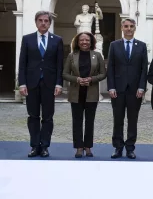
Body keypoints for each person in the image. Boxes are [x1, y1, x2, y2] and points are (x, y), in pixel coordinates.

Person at [18, 11, 64, 157]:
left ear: (50, 23)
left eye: (46, 21)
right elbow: (22, 63)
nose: (43, 23)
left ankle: (44, 146)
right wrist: (22, 83)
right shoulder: (27, 39)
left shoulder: (57, 40)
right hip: (31, 83)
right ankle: (34, 145)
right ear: (36, 22)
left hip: (49, 84)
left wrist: (59, 84)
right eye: (40, 20)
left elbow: (59, 64)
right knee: (33, 116)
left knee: (48, 117)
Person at [107, 18, 148, 159]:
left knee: (132, 120)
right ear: (122, 28)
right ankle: (118, 148)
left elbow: (144, 69)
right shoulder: (114, 45)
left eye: (131, 26)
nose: (129, 28)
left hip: (135, 90)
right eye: (126, 26)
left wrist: (142, 87)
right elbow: (110, 67)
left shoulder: (141, 46)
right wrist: (111, 86)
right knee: (117, 120)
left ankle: (130, 148)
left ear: (135, 28)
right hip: (117, 89)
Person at [62, 31, 106, 158]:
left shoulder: (97, 55)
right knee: (77, 121)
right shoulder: (72, 56)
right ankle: (79, 147)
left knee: (90, 121)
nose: (84, 42)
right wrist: (77, 79)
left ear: (91, 42)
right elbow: (65, 74)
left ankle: (88, 147)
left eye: (87, 40)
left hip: (91, 92)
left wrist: (91, 79)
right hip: (76, 93)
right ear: (77, 42)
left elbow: (103, 73)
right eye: (82, 40)